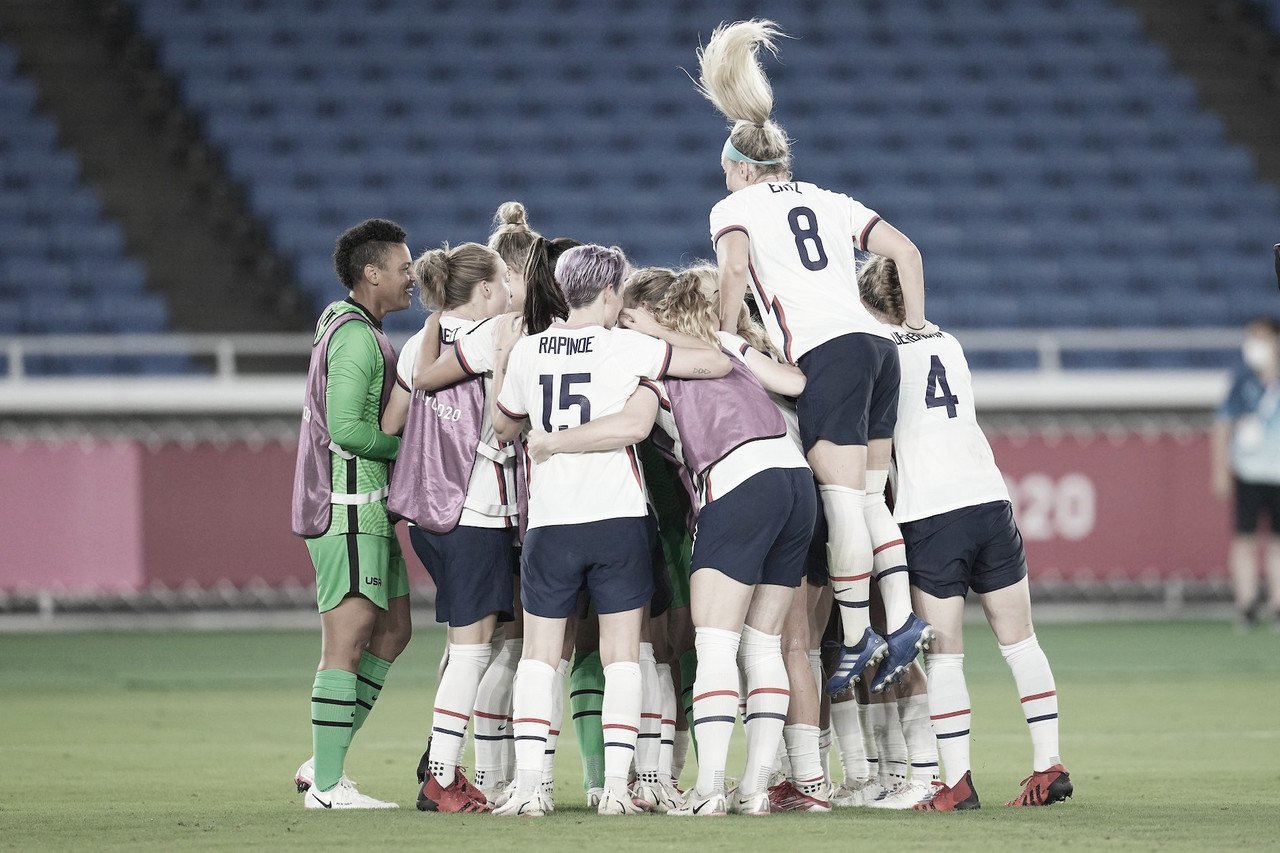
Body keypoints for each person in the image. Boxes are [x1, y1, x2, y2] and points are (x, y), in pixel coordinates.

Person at [696, 19, 933, 696]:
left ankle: (858, 638)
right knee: (868, 498)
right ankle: (903, 619)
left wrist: (725, 332)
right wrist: (913, 326)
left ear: (741, 169)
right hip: (879, 348)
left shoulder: (730, 208)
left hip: (826, 353)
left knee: (841, 502)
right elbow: (907, 252)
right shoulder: (831, 199)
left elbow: (735, 272)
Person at [532, 265, 817, 816]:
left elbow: (634, 427)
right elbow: (793, 384)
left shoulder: (646, 364)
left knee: (715, 645)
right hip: (795, 480)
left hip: (738, 480)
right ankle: (756, 788)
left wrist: (554, 442)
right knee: (763, 646)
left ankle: (711, 787)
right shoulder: (725, 349)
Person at [490, 245, 731, 817]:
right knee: (624, 655)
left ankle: (531, 786)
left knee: (540, 657)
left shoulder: (528, 349)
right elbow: (716, 362)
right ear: (606, 294)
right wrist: (653, 332)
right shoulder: (629, 346)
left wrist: (513, 374)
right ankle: (617, 789)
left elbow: (502, 424)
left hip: (550, 519)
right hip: (617, 516)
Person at [856, 255, 1072, 811]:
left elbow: (880, 442)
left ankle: (956, 783)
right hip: (990, 498)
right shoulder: (948, 341)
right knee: (1021, 642)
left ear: (869, 303)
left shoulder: (878, 354)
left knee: (945, 656)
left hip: (931, 511)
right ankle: (1049, 765)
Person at [382, 241, 515, 813]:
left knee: (469, 645)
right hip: (477, 511)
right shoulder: (493, 338)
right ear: (484, 289)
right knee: (471, 650)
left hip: (428, 516)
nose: (510, 290)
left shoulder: (418, 343)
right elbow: (508, 424)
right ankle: (440, 775)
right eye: (504, 280)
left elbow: (392, 422)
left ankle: (440, 754)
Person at [290, 218, 416, 810]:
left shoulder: (359, 331)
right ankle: (329, 786)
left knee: (393, 631)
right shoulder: (356, 339)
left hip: (368, 512)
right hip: (347, 509)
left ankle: (323, 760)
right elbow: (345, 429)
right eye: (403, 266)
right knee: (347, 642)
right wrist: (413, 451)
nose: (411, 276)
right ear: (372, 273)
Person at [1212, 316, 1280, 628]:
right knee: (1245, 538)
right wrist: (1220, 469)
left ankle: (1278, 602)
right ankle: (1247, 602)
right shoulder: (1243, 380)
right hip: (1249, 471)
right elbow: (1223, 425)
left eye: (1262, 338)